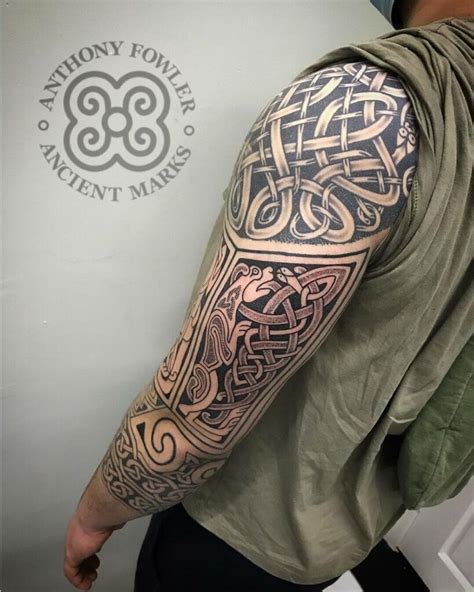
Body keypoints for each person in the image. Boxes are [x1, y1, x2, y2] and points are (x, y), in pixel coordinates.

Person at [64, 1, 473, 590]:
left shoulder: (362, 109)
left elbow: (191, 421)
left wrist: (93, 515)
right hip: (342, 535)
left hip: (233, 537)